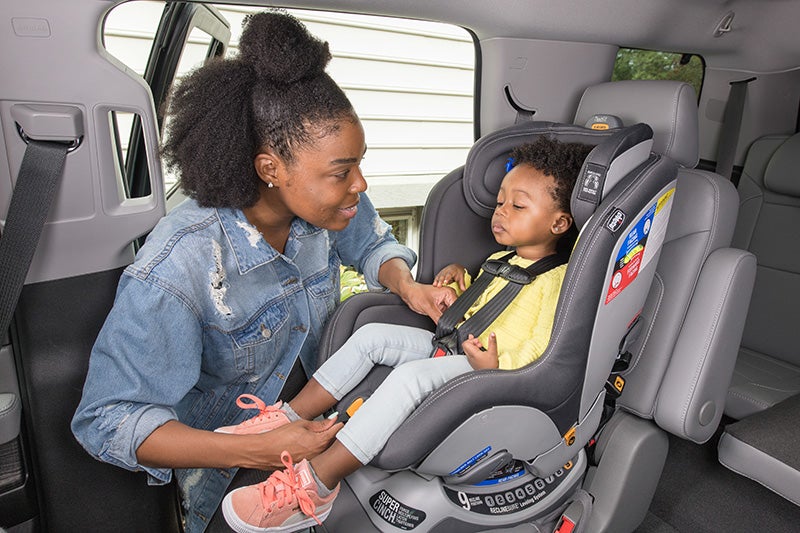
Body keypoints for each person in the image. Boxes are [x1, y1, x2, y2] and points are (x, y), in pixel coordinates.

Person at [70, 10, 454, 533]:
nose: (359, 185)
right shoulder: (178, 268)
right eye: (342, 171)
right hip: (229, 471)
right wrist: (259, 449)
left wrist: (406, 285)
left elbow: (370, 241)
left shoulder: (326, 204)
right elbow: (106, 420)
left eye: (360, 163)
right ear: (271, 169)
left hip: (311, 418)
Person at [219, 136, 594, 532]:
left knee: (408, 378)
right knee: (372, 337)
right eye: (500, 202)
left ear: (559, 223)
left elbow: (545, 342)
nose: (501, 212)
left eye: (517, 206)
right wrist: (458, 279)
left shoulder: (559, 280)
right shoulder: (502, 259)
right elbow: (489, 304)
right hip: (454, 347)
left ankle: (317, 485)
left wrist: (497, 365)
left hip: (492, 371)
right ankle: (289, 416)